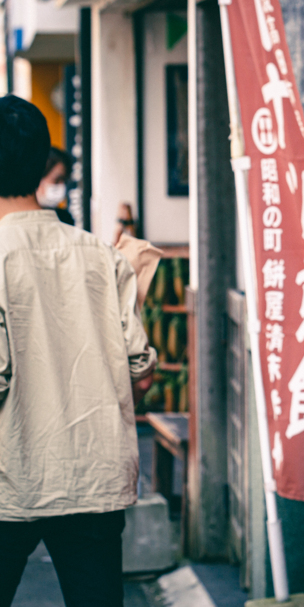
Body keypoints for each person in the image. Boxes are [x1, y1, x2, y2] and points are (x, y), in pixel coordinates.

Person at [0, 95, 156, 607]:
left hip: (10, 480)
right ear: (43, 161)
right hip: (93, 475)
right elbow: (142, 374)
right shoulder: (98, 254)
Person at [36, 146, 75, 226]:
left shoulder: (65, 219)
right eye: (57, 180)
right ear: (38, 179)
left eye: (64, 180)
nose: (62, 186)